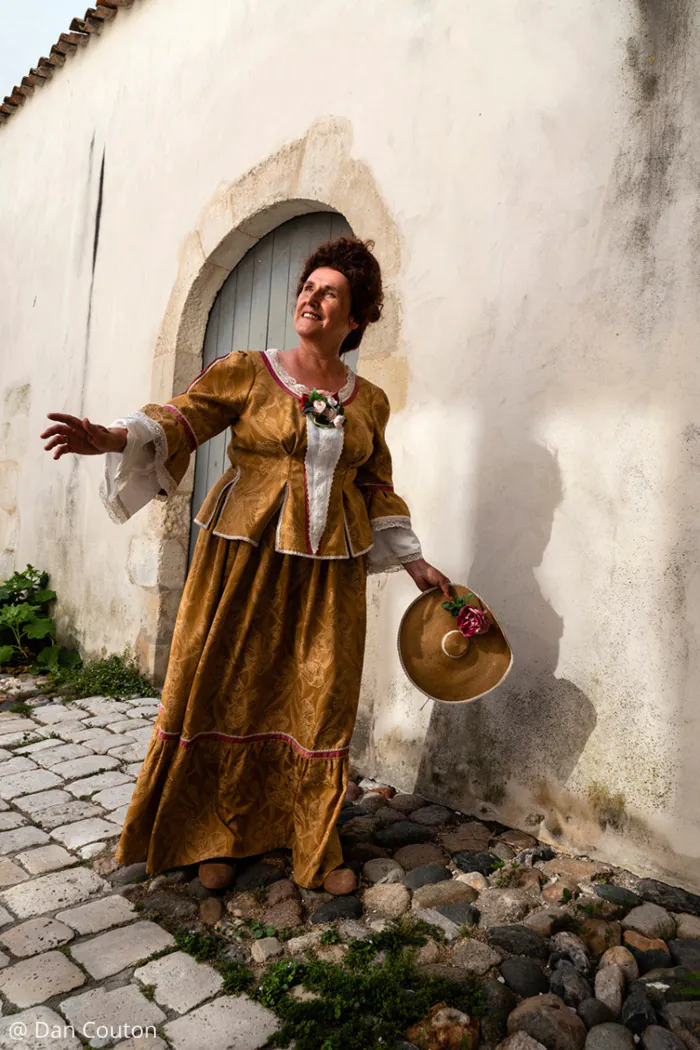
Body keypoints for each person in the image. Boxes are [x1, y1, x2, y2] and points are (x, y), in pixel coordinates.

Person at [41, 237, 451, 891]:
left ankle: (313, 847)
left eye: (329, 294)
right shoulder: (248, 370)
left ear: (356, 319)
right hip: (245, 555)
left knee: (323, 695)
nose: (311, 299)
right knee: (232, 685)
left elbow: (376, 484)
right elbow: (185, 417)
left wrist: (415, 564)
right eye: (307, 289)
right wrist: (114, 438)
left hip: (329, 571)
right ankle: (214, 835)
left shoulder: (369, 399)